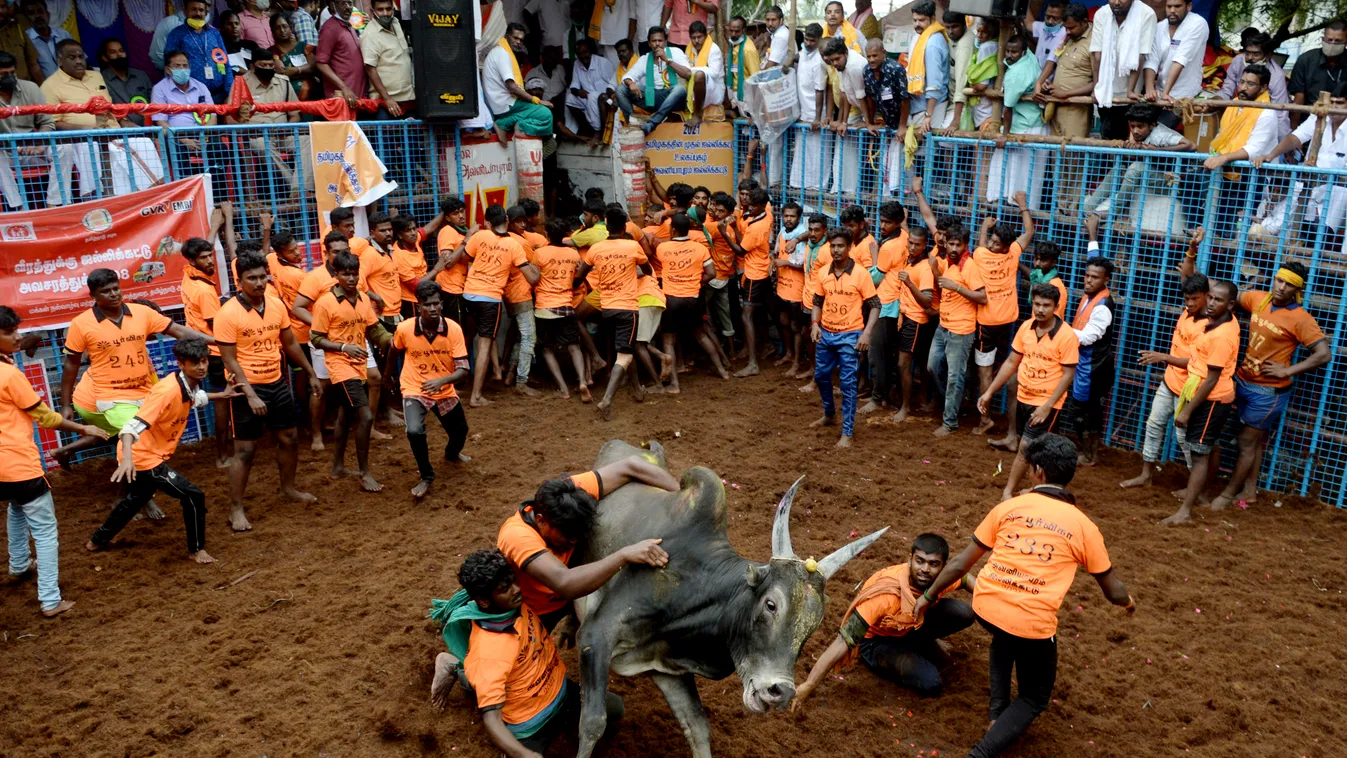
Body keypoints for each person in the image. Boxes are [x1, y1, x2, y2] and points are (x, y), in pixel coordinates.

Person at [916, 433, 1134, 758]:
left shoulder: (1010, 507)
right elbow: (1112, 589)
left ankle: (996, 715)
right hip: (1031, 623)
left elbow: (961, 562)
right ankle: (980, 754)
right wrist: (1128, 603)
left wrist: (928, 596)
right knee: (1034, 697)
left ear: (1038, 472)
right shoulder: (1084, 526)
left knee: (1003, 639)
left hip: (987, 606)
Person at [427, 549, 629, 753]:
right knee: (486, 679)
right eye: (505, 588)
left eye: (513, 581)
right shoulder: (490, 651)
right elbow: (492, 720)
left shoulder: (516, 604)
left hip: (561, 692)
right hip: (530, 723)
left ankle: (459, 667)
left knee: (615, 708)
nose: (516, 590)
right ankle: (454, 666)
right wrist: (523, 754)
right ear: (484, 601)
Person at [86, 338, 240, 565]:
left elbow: (193, 399)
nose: (201, 367)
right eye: (194, 363)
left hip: (146, 453)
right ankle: (197, 550)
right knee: (193, 495)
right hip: (142, 455)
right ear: (181, 364)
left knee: (138, 498)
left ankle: (98, 540)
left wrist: (222, 395)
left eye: (204, 361)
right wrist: (128, 460)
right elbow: (130, 428)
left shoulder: (185, 384)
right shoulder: (166, 391)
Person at [494, 455, 677, 634]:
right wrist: (624, 555)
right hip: (537, 609)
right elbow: (564, 583)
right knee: (533, 656)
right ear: (541, 521)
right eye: (567, 535)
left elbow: (632, 465)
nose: (573, 540)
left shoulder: (571, 495)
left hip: (575, 589)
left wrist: (683, 498)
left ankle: (573, 619)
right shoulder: (517, 536)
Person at [1200, 261, 1330, 511]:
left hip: (1268, 392)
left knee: (1246, 443)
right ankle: (1249, 491)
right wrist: (1192, 259)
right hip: (1241, 380)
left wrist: (1287, 370)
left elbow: (1323, 354)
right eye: (1279, 280)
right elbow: (1224, 294)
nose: (1281, 287)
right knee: (1252, 441)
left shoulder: (1301, 319)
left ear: (1298, 290)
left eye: (1289, 284)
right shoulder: (1258, 299)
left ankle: (1228, 494)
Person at [2, 306, 106, 617]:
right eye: (9, 333)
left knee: (16, 504)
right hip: (18, 462)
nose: (17, 336)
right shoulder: (9, 374)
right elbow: (45, 417)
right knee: (45, 529)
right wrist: (83, 428)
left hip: (4, 471)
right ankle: (50, 600)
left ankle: (19, 564)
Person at [791, 534, 974, 706]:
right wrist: (809, 684)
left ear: (944, 567)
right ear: (909, 559)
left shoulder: (943, 578)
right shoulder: (885, 595)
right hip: (876, 641)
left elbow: (966, 579)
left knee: (964, 612)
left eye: (933, 564)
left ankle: (919, 642)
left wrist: (997, 605)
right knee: (932, 684)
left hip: (911, 626)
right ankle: (882, 657)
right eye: (920, 561)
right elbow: (842, 642)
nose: (925, 570)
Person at [215, 252, 320, 532]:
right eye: (252, 278)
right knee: (246, 451)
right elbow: (229, 359)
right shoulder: (227, 314)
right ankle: (236, 508)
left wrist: (310, 373)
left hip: (276, 382)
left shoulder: (276, 305)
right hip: (243, 388)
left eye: (263, 276)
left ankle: (288, 489)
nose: (259, 282)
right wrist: (250, 393)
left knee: (289, 438)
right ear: (239, 282)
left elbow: (289, 343)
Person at [1120, 231, 1208, 489]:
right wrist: (1192, 247)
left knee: (1184, 439)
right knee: (1154, 424)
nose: (1189, 302)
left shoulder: (1209, 326)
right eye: (1186, 299)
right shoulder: (1189, 310)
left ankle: (1195, 487)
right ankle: (1146, 475)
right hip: (1170, 383)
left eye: (1194, 299)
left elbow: (1194, 362)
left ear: (1206, 296)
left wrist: (1163, 357)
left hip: (1188, 391)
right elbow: (1187, 275)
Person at [979, 285, 1080, 500]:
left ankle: (1008, 491)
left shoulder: (1066, 336)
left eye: (1046, 305)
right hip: (1024, 397)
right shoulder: (1026, 327)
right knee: (1040, 449)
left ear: (1056, 307)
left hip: (1045, 403)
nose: (1041, 309)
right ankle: (1042, 490)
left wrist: (1047, 406)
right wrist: (989, 392)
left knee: (1026, 448)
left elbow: (1068, 374)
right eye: (1037, 304)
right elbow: (1011, 362)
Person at [309, 251, 396, 493]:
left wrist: (393, 340)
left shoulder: (362, 299)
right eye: (345, 274)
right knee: (365, 416)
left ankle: (337, 467)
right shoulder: (326, 303)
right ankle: (365, 473)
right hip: (339, 366)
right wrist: (343, 347)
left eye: (354, 273)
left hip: (358, 364)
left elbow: (374, 329)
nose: (350, 278)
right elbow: (316, 338)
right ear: (336, 275)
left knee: (346, 415)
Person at [1160, 279, 1240, 525]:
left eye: (1218, 300)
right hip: (1207, 396)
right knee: (1207, 448)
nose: (1212, 303)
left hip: (1211, 399)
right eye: (1212, 298)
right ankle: (1201, 494)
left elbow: (1211, 379)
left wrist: (1186, 411)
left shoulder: (1221, 336)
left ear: (1231, 304)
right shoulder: (1215, 324)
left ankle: (1185, 511)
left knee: (1199, 454)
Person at [389, 281, 471, 499]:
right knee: (414, 430)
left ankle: (451, 454)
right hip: (414, 387)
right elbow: (393, 350)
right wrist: (389, 377)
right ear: (419, 306)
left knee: (460, 432)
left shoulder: (453, 329)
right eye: (427, 305)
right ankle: (426, 476)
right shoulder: (405, 328)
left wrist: (442, 381)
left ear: (442, 304)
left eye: (436, 304)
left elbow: (463, 369)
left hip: (443, 389)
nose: (432, 309)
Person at [577, 207, 651, 419]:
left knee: (624, 349)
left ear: (606, 223)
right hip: (627, 307)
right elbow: (647, 270)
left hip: (607, 308)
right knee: (625, 354)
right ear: (625, 225)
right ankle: (607, 401)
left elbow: (580, 274)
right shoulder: (632, 246)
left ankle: (637, 389)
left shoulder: (596, 249)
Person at [810, 226, 881, 449]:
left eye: (841, 246)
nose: (836, 250)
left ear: (849, 247)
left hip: (850, 336)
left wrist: (867, 333)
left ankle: (847, 432)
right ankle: (829, 414)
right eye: (833, 246)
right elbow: (817, 301)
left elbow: (875, 306)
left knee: (848, 384)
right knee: (821, 376)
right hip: (826, 334)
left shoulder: (861, 274)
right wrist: (814, 324)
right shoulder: (823, 272)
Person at [1250, 81, 1347, 239]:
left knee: (1323, 230)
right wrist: (1270, 155)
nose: (1334, 106)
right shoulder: (1320, 116)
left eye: (1340, 103)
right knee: (1291, 224)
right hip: (1308, 185)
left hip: (1337, 191)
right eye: (1332, 102)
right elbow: (1296, 137)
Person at [973, 193, 1033, 443]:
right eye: (992, 241)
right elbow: (1029, 231)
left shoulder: (981, 256)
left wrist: (984, 227)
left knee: (984, 371)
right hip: (1008, 322)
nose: (991, 246)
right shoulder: (1013, 254)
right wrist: (1023, 206)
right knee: (999, 367)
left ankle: (985, 419)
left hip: (987, 324)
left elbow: (980, 242)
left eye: (996, 243)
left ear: (1005, 246)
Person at [177, 237, 236, 469]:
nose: (210, 261)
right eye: (204, 258)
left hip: (205, 349)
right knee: (223, 401)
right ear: (193, 260)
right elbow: (216, 326)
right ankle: (223, 456)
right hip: (215, 352)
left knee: (222, 399)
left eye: (210, 255)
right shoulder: (204, 290)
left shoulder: (189, 276)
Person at [1202, 65, 1279, 236]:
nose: (1243, 87)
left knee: (1234, 228)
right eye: (1242, 82)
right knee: (1214, 218)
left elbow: (1254, 149)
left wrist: (1222, 158)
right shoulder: (1234, 104)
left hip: (1251, 176)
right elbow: (1223, 135)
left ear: (1264, 88)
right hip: (1227, 172)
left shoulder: (1266, 113)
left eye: (1250, 84)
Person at [1082, 103, 1194, 220]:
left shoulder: (1161, 134)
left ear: (1152, 125)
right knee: (1119, 169)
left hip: (1175, 181)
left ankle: (1114, 211)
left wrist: (1157, 150)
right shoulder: (1137, 135)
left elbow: (1191, 145)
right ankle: (1086, 209)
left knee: (1136, 167)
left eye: (1140, 127)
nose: (1135, 131)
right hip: (1154, 175)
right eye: (1132, 126)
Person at [40, 40, 118, 207]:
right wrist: (88, 129)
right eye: (72, 57)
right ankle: (98, 201)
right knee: (91, 147)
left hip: (113, 133)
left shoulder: (96, 76)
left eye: (81, 56)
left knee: (144, 142)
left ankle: (141, 197)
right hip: (80, 139)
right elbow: (54, 123)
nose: (78, 61)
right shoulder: (50, 86)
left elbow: (111, 108)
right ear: (59, 60)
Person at [929, 221, 986, 437]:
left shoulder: (969, 266)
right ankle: (955, 403)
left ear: (965, 245)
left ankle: (950, 421)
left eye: (958, 244)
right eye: (951, 244)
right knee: (932, 367)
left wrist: (958, 288)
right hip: (944, 325)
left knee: (955, 376)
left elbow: (982, 297)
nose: (954, 248)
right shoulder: (950, 263)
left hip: (961, 330)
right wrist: (935, 271)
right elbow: (944, 286)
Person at [1069, 228, 1116, 467]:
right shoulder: (1093, 292)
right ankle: (1087, 452)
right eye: (1086, 276)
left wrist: (1059, 330)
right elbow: (1094, 260)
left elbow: (1088, 337)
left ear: (1105, 280)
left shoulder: (1103, 306)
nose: (1088, 280)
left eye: (1094, 277)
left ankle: (1090, 455)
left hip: (1092, 367)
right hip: (1084, 364)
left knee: (1084, 413)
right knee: (1081, 411)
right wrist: (1091, 234)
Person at [531, 218, 592, 402]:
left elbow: (533, 277)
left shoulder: (539, 254)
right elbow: (579, 276)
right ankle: (582, 381)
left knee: (548, 349)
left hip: (544, 307)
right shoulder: (573, 254)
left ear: (547, 235)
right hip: (567, 305)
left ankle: (563, 389)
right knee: (574, 346)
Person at [989, 35, 1048, 206]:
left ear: (1023, 52)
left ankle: (1015, 207)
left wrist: (1005, 135)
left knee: (1019, 175)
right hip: (1029, 123)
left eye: (1014, 52)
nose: (1009, 55)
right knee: (1019, 175)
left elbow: (1007, 108)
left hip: (1024, 127)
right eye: (1007, 51)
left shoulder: (1017, 73)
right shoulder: (1028, 56)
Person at [860, 201, 907, 414]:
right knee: (887, 354)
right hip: (896, 302)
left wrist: (875, 255)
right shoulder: (904, 236)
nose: (882, 225)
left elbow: (876, 277)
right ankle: (884, 396)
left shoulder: (889, 246)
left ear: (897, 222)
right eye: (882, 221)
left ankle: (878, 399)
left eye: (887, 222)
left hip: (886, 303)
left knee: (876, 353)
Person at [722, 187, 772, 378]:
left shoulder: (756, 226)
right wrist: (735, 228)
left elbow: (741, 250)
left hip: (754, 274)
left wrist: (725, 232)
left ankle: (753, 363)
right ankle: (766, 345)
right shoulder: (766, 216)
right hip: (762, 269)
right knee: (763, 311)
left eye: (752, 205)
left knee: (746, 316)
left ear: (761, 206)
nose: (748, 208)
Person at [889, 224, 936, 423]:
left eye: (917, 244)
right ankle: (909, 400)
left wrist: (909, 283)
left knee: (904, 363)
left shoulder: (924, 268)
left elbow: (927, 300)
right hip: (906, 318)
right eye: (910, 243)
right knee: (905, 363)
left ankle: (906, 407)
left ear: (925, 245)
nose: (913, 247)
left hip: (916, 320)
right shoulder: (910, 262)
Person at [1089, 0, 1155, 140]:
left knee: (1128, 141)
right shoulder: (1102, 14)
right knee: (1108, 137)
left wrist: (1130, 90)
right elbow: (1097, 55)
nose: (1117, 2)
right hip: (1105, 92)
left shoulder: (1146, 14)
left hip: (1131, 95)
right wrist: (1096, 86)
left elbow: (1140, 55)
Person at [0, 51, 55, 211]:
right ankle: (18, 207)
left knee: (64, 148)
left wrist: (37, 142)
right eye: (3, 74)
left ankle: (54, 203)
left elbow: (47, 122)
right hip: (6, 152)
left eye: (12, 72)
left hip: (33, 149)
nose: (9, 77)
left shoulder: (30, 88)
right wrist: (14, 147)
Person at [1215, 32, 1290, 146]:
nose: (1250, 58)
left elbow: (1280, 113)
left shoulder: (1276, 76)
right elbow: (1227, 89)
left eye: (1256, 54)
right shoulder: (1238, 61)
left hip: (1260, 120)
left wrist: (1285, 144)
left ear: (1267, 56)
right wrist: (1214, 101)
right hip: (1236, 113)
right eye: (1248, 53)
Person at [1142, 0, 1208, 128]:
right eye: (1169, 6)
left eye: (1177, 6)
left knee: (1161, 131)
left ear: (1189, 6)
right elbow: (1152, 60)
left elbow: (1180, 60)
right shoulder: (1160, 27)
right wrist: (1150, 89)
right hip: (1159, 93)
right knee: (1142, 128)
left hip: (1184, 95)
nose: (1172, 10)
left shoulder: (1198, 24)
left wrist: (1167, 93)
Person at [484, 22, 554, 141]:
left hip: (501, 102)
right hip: (504, 104)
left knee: (541, 112)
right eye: (515, 38)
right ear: (506, 36)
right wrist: (537, 100)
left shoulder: (501, 51)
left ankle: (515, 125)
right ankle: (505, 124)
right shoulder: (502, 54)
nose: (518, 42)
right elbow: (512, 87)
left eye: (521, 40)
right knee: (545, 114)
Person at [1035, 2, 1094, 140]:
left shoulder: (1095, 42)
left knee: (1072, 156)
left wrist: (1065, 93)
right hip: (1056, 107)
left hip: (1076, 110)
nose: (1067, 31)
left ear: (1084, 22)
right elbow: (1053, 60)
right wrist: (1042, 82)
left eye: (1071, 28)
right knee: (1056, 157)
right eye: (1065, 27)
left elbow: (1097, 83)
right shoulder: (1066, 37)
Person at [618, 26, 690, 135]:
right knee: (621, 89)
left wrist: (667, 60)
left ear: (665, 42)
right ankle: (633, 124)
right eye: (654, 41)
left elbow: (687, 74)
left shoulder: (676, 52)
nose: (657, 44)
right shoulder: (645, 59)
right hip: (653, 98)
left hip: (673, 98)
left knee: (679, 89)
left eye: (660, 40)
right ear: (649, 44)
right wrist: (631, 83)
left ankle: (652, 123)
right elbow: (627, 77)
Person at [165, 0, 235, 104]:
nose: (198, 13)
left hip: (220, 95)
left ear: (206, 12)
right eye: (194, 9)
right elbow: (170, 66)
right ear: (185, 11)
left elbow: (226, 64)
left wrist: (229, 93)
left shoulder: (215, 34)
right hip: (191, 96)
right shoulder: (176, 34)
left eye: (201, 10)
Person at [773, 202, 810, 378]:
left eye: (792, 216)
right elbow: (777, 253)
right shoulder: (783, 232)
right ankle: (788, 354)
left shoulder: (802, 237)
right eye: (786, 216)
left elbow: (804, 266)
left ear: (799, 217)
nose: (788, 219)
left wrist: (786, 263)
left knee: (796, 327)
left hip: (796, 289)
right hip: (782, 287)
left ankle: (797, 361)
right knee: (784, 322)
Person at [362, 0, 415, 118]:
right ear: (373, 11)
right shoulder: (370, 35)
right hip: (386, 103)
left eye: (388, 9)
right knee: (389, 136)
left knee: (413, 136)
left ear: (393, 9)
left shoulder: (396, 23)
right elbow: (370, 68)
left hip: (408, 99)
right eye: (380, 10)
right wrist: (387, 98)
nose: (385, 13)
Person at [1288, 20, 1346, 127]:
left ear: (1345, 42)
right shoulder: (1306, 60)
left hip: (1342, 122)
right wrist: (1294, 128)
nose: (1332, 44)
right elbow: (1298, 98)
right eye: (1329, 40)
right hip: (1309, 119)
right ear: (1323, 39)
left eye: (1338, 41)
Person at [906, 1, 951, 137]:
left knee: (925, 151)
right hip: (921, 104)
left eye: (921, 20)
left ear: (932, 19)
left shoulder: (932, 44)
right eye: (915, 20)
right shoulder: (922, 37)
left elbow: (934, 83)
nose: (917, 24)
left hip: (930, 106)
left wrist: (928, 115)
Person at [565, 37, 618, 144]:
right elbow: (574, 85)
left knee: (593, 95)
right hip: (589, 100)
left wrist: (609, 97)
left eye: (585, 52)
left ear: (591, 51)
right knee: (570, 98)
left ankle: (598, 132)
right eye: (580, 53)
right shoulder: (577, 64)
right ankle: (586, 129)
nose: (583, 55)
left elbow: (613, 84)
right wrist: (579, 92)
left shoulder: (603, 63)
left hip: (605, 100)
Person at [315, 0, 366, 107]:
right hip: (342, 98)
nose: (347, 7)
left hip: (356, 97)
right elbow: (321, 63)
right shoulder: (330, 28)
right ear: (334, 5)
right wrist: (344, 88)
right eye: (343, 3)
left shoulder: (349, 25)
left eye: (350, 3)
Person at [152, 50, 217, 128]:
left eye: (185, 65)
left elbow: (213, 117)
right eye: (177, 66)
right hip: (175, 137)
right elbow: (161, 122)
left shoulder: (201, 87)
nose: (182, 69)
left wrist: (204, 136)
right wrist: (183, 139)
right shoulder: (159, 89)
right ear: (168, 70)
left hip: (204, 135)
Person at [97, 39, 153, 128]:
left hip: (150, 128)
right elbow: (103, 110)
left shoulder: (141, 76)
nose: (119, 55)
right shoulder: (101, 79)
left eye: (121, 51)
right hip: (122, 132)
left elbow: (154, 102)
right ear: (105, 57)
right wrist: (123, 121)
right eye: (113, 52)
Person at [676, 20, 723, 126]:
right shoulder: (689, 49)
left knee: (699, 75)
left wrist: (692, 70)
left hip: (714, 89)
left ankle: (697, 115)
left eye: (699, 37)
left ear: (706, 36)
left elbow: (714, 73)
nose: (696, 41)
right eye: (693, 38)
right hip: (694, 86)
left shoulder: (714, 49)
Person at [271, 11, 319, 102]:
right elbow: (283, 72)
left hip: (313, 95)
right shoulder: (272, 52)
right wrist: (305, 69)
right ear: (273, 31)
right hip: (288, 97)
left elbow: (314, 66)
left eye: (285, 26)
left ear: (291, 28)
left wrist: (296, 70)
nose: (282, 30)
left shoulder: (304, 47)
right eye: (278, 28)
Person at [862, 38, 908, 132]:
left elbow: (905, 99)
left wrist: (902, 125)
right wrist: (870, 123)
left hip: (904, 121)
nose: (871, 60)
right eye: (869, 56)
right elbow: (870, 98)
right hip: (886, 122)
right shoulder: (866, 71)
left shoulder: (896, 69)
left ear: (884, 53)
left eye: (874, 55)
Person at [822, 37, 868, 131]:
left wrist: (867, 122)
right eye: (832, 60)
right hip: (859, 107)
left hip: (871, 110)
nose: (834, 63)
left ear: (845, 53)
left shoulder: (854, 66)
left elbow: (862, 96)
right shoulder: (840, 65)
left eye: (837, 59)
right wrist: (843, 122)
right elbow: (844, 93)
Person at [19, 0, 71, 79]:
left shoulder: (63, 34)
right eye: (31, 13)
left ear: (48, 15)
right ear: (26, 18)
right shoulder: (25, 40)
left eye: (40, 11)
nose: (37, 16)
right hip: (45, 88)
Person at [0, 1, 42, 84]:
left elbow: (33, 64)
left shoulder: (17, 29)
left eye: (3, 6)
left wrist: (44, 90)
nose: (0, 11)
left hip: (25, 89)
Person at [724, 15, 759, 115]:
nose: (733, 34)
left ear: (744, 30)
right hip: (736, 94)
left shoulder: (748, 50)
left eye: (737, 31)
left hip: (746, 96)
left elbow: (755, 78)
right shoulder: (734, 45)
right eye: (731, 31)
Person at [796, 23, 826, 127]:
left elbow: (819, 90)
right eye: (806, 39)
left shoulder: (819, 60)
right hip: (803, 113)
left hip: (815, 116)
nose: (808, 43)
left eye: (812, 41)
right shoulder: (803, 53)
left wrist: (817, 119)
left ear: (819, 40)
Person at [1029, 0, 1067, 69]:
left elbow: (1050, 63)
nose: (1049, 21)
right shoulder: (1043, 26)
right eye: (1047, 17)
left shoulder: (1064, 34)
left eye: (1055, 18)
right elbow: (1028, 23)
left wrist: (1039, 80)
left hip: (1047, 79)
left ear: (1064, 18)